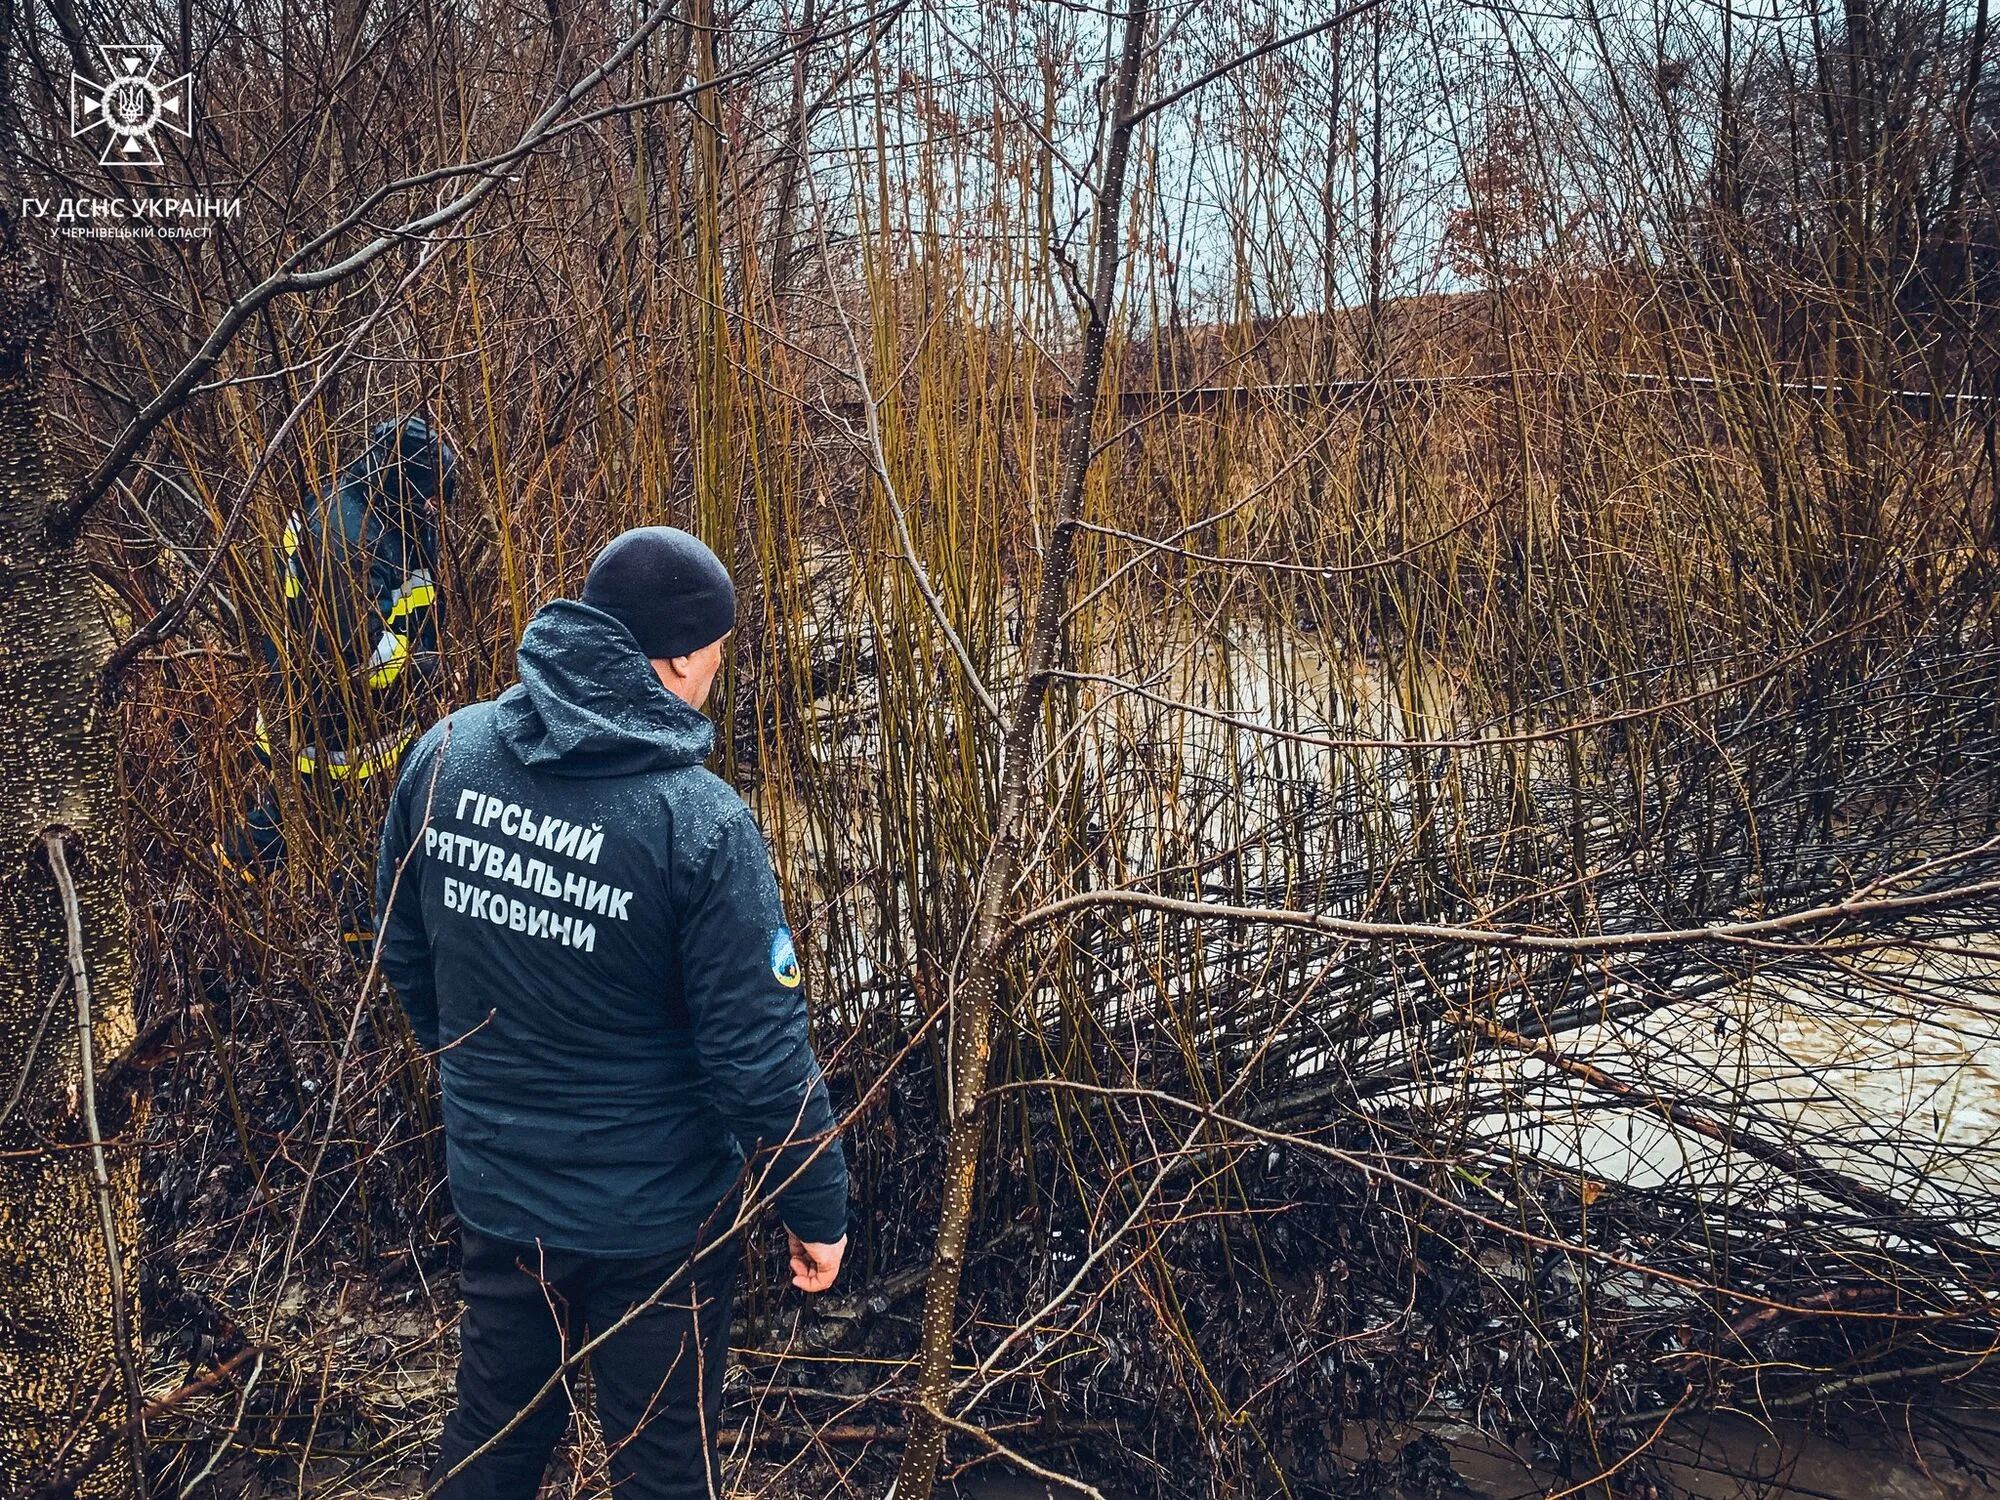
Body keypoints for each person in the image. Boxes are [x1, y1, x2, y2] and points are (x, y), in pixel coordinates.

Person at [373, 526, 849, 1500]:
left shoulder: (446, 755)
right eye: (719, 645)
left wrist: (476, 1081)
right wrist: (818, 1207)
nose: (721, 663)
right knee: (666, 1468)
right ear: (678, 656)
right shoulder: (698, 823)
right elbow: (758, 1054)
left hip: (501, 1193)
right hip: (656, 1226)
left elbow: (400, 945)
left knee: (493, 1437)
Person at [222, 415, 457, 957]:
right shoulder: (346, 537)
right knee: (355, 846)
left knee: (297, 827)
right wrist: (428, 667)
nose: (433, 511)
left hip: (337, 729)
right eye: (428, 497)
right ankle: (353, 961)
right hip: (333, 734)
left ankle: (222, 897)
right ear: (404, 482)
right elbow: (356, 658)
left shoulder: (373, 513)